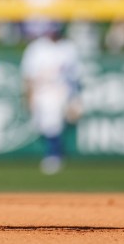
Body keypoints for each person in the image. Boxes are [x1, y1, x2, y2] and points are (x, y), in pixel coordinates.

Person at [20, 22, 82, 175]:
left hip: (61, 91)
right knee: (40, 125)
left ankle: (54, 155)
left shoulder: (68, 47)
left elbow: (76, 76)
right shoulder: (36, 48)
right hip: (40, 91)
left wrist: (75, 98)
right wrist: (28, 96)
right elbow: (28, 76)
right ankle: (54, 153)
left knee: (53, 123)